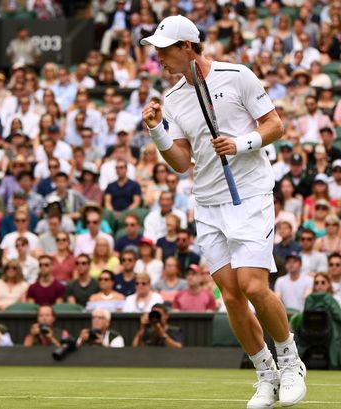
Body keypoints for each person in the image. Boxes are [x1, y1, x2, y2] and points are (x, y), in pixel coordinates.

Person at [141, 15, 305, 408]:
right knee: (231, 295)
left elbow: (275, 125)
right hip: (208, 203)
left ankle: (291, 362)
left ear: (186, 47)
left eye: (163, 50)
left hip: (249, 195)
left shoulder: (238, 76)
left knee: (252, 285)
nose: (157, 58)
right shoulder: (175, 98)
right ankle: (265, 374)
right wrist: (157, 129)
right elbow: (182, 162)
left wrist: (242, 143)